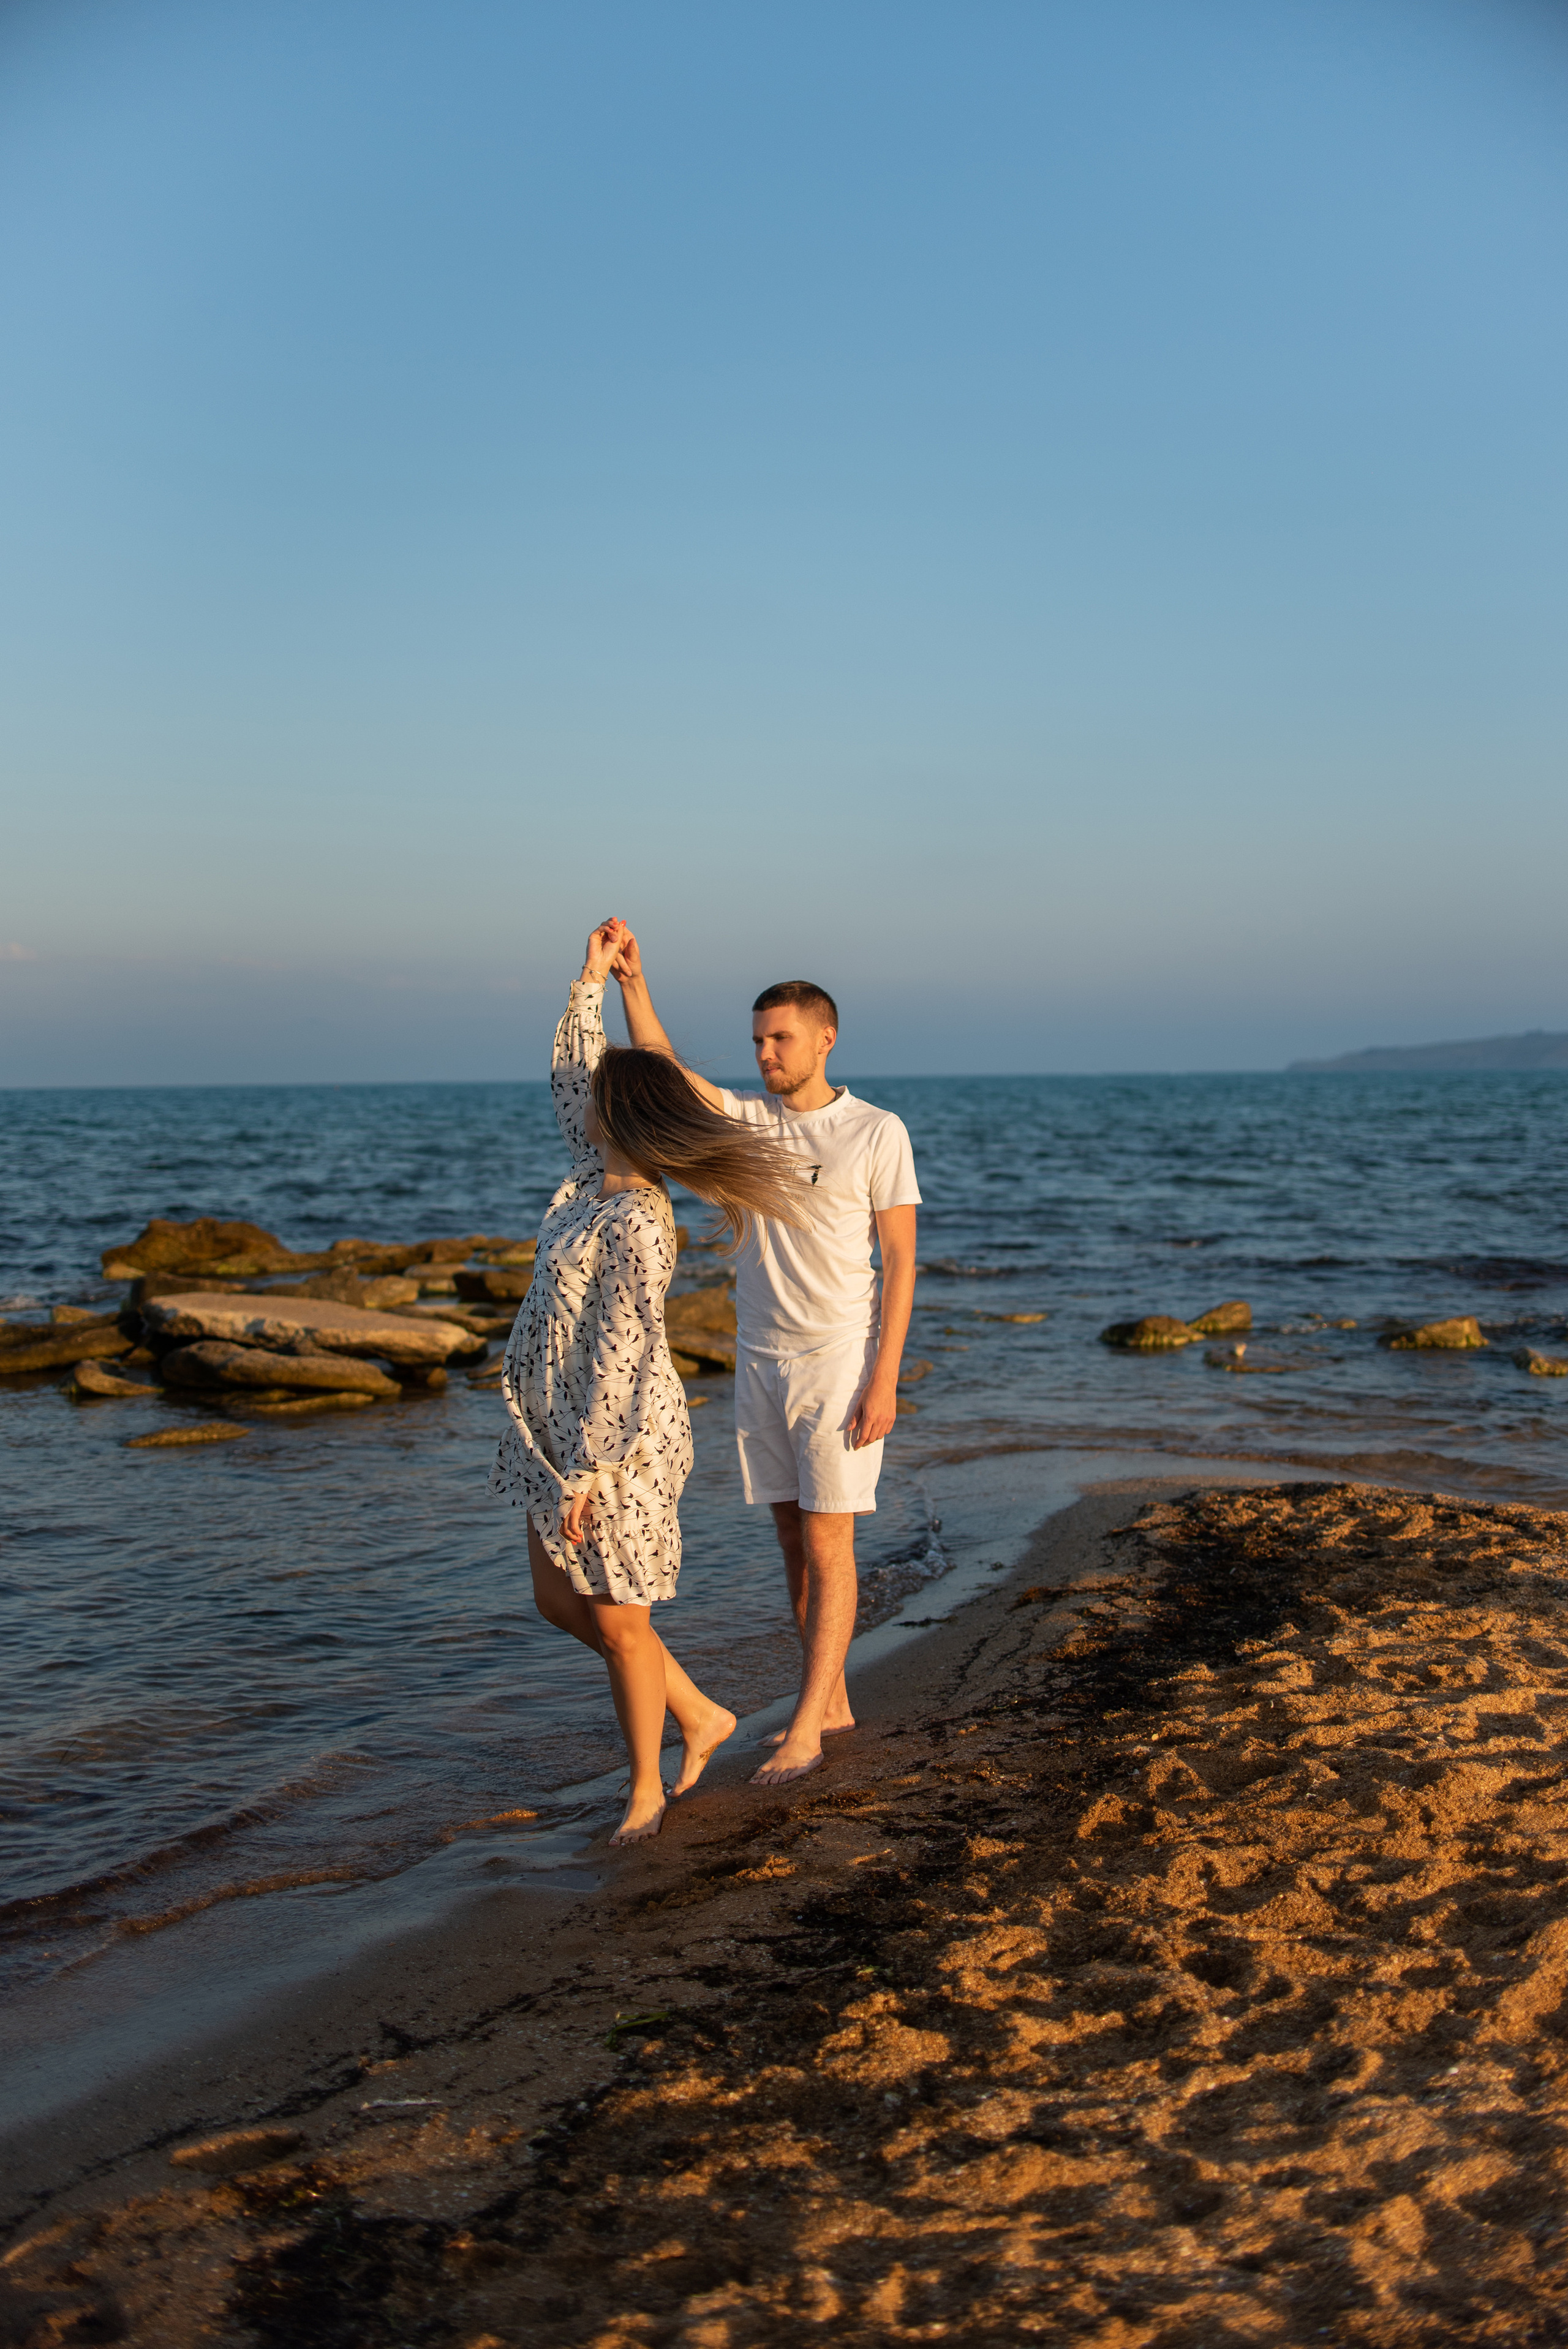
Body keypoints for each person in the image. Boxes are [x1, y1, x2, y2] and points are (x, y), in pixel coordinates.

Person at [489, 918, 805, 1845]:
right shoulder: (592, 1178)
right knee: (559, 1599)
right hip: (557, 1428)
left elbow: (623, 1359)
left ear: (620, 1117)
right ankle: (702, 1712)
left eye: (597, 1095)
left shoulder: (638, 1222)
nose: (581, 1099)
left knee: (621, 1621)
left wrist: (588, 1470)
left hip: (616, 1440)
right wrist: (590, 980)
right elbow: (566, 1080)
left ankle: (645, 1789)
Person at [609, 929, 921, 1788]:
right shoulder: (748, 1124)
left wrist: (884, 1377)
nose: (765, 1053)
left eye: (779, 1038)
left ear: (825, 1038)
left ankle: (807, 1728)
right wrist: (634, 984)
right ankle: (833, 1699)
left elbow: (900, 1263)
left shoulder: (875, 1132)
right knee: (791, 1536)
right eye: (756, 1040)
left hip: (838, 1365)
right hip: (760, 1360)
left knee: (831, 1542)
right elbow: (666, 1076)